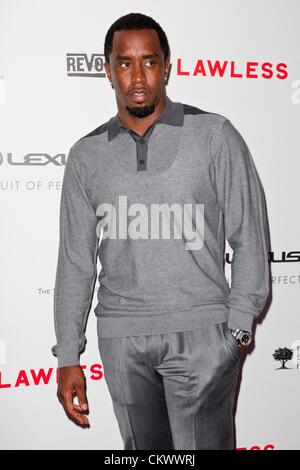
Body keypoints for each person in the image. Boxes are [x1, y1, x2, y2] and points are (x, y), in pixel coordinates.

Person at [51, 12, 270, 450]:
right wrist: (69, 356)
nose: (137, 77)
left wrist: (239, 329)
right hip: (121, 340)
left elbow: (250, 235)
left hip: (203, 336)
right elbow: (75, 262)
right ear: (108, 69)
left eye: (149, 62)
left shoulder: (214, 135)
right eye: (124, 63)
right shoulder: (85, 155)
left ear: (167, 66)